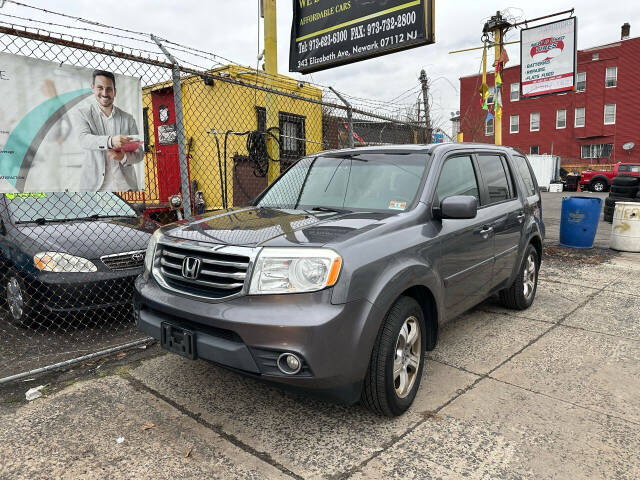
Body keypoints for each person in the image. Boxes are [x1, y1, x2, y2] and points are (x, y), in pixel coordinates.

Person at [74, 70, 143, 191]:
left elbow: (140, 153)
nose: (105, 93)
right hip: (95, 188)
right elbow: (83, 139)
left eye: (109, 89)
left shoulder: (128, 118)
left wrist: (123, 158)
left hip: (126, 187)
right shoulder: (83, 113)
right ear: (93, 88)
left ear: (115, 92)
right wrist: (110, 141)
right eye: (100, 88)